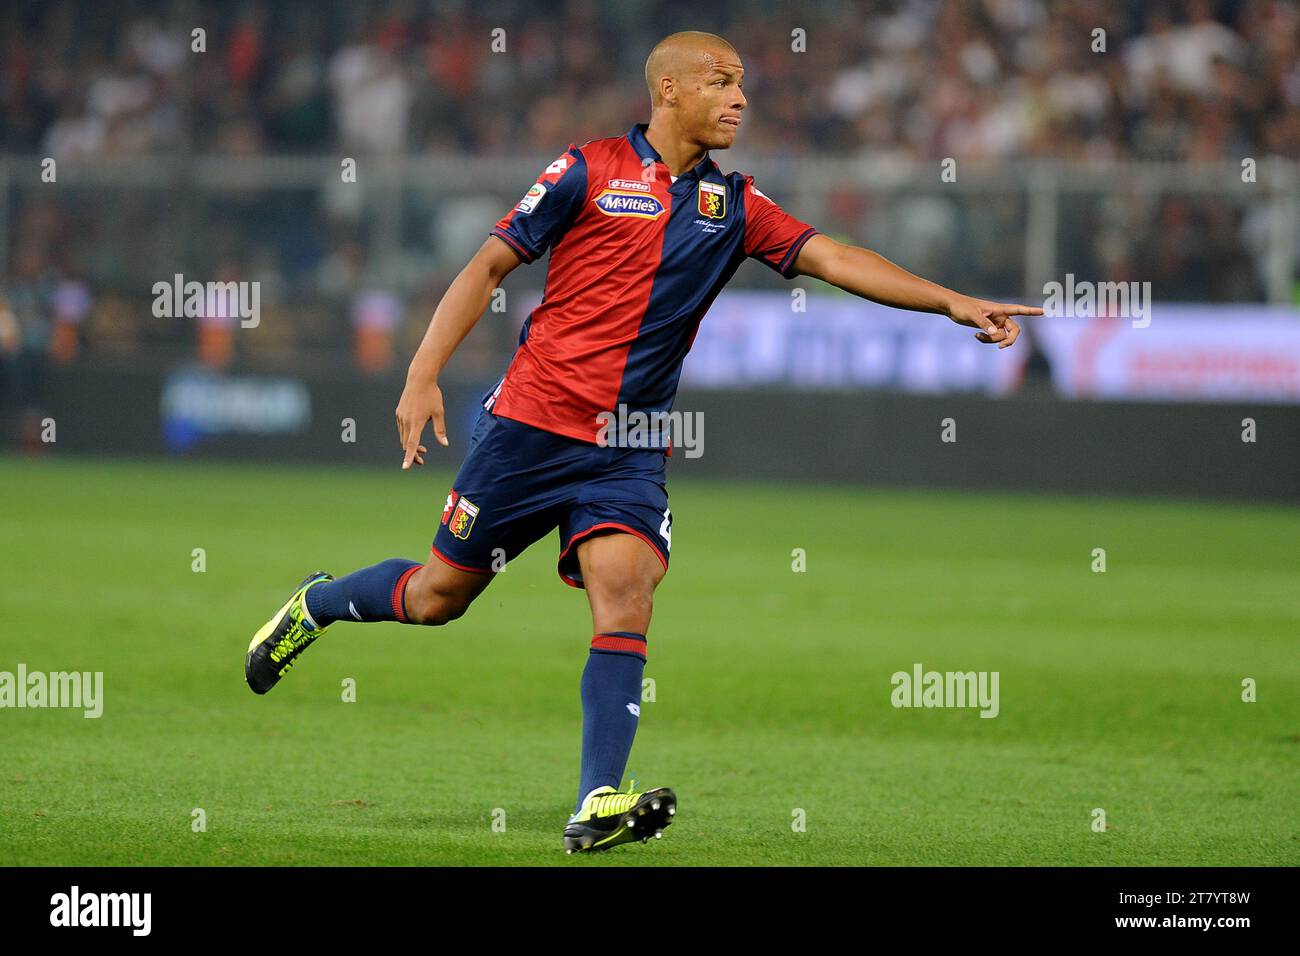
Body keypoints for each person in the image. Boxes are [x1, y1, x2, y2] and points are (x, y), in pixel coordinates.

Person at [243, 31, 1042, 854]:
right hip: (529, 429)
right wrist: (421, 373)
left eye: (743, 84)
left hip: (629, 445)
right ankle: (317, 603)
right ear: (669, 91)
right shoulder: (585, 170)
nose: (740, 99)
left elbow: (835, 257)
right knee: (438, 597)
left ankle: (597, 800)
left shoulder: (734, 206)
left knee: (625, 594)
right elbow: (487, 269)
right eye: (721, 82)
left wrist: (949, 301)